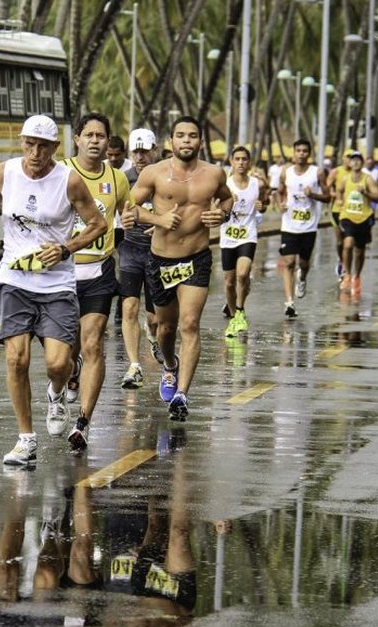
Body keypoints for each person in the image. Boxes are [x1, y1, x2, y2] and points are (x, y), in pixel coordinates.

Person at [0, 114, 107, 466]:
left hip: (57, 282)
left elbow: (98, 224)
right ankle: (26, 439)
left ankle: (57, 390)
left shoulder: (69, 181)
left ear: (54, 148)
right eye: (29, 144)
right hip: (14, 279)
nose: (35, 152)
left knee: (57, 362)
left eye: (43, 146)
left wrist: (65, 249)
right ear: (21, 142)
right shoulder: (5, 171)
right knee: (17, 359)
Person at [127, 116, 234, 421]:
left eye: (192, 136)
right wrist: (158, 220)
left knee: (189, 324)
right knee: (166, 328)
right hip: (161, 259)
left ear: (200, 141)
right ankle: (170, 366)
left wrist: (221, 216)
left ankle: (183, 395)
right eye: (180, 136)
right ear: (170, 142)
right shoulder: (153, 173)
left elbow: (228, 199)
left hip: (197, 258)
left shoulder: (214, 174)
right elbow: (129, 207)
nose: (186, 141)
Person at [61, 112, 132, 450]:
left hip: (99, 271)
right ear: (76, 138)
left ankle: (83, 422)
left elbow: (127, 211)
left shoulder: (117, 178)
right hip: (61, 274)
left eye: (100, 136)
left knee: (93, 345)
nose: (94, 141)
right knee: (65, 352)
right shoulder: (60, 173)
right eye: (88, 135)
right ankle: (65, 377)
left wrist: (132, 217)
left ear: (108, 142)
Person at [118, 128, 164, 389]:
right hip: (130, 250)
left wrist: (160, 224)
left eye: (145, 151)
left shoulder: (164, 177)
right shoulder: (123, 179)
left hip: (158, 252)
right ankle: (134, 365)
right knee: (129, 308)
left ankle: (153, 336)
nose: (140, 156)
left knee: (155, 317)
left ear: (154, 151)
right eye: (135, 151)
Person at [276, 138, 330, 319]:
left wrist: (313, 194)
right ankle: (289, 302)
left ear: (309, 154)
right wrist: (280, 204)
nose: (301, 154)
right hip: (289, 224)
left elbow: (328, 197)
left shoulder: (318, 173)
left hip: (309, 226)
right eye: (298, 150)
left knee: (304, 264)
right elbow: (279, 191)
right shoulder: (286, 172)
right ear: (294, 152)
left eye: (304, 151)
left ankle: (303, 278)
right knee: (289, 262)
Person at [220, 146, 267, 337]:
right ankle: (234, 317)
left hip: (248, 235)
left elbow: (263, 205)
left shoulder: (257, 184)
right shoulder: (225, 185)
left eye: (244, 159)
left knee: (242, 274)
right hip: (228, 238)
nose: (240, 162)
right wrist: (225, 204)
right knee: (230, 282)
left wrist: (262, 206)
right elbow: (217, 211)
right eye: (237, 159)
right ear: (231, 161)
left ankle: (239, 309)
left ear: (249, 163)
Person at [332, 150, 378, 296]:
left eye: (358, 159)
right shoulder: (345, 178)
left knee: (360, 251)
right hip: (347, 216)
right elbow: (339, 190)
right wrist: (339, 199)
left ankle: (356, 276)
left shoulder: (368, 179)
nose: (355, 162)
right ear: (349, 162)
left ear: (362, 162)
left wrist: (366, 192)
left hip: (364, 218)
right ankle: (347, 274)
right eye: (353, 160)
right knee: (348, 244)